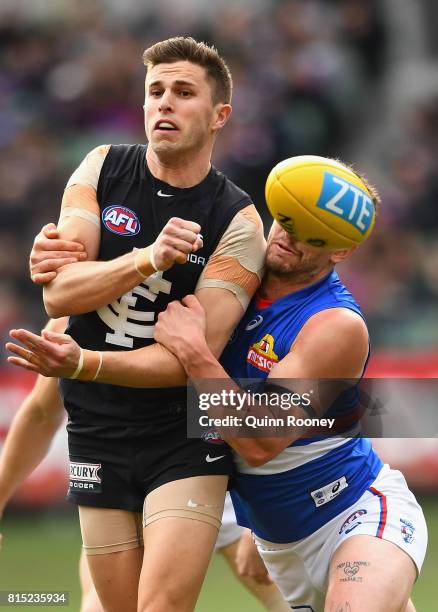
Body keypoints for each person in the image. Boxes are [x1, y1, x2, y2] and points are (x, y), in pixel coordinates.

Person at [6, 36, 266, 612]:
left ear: (220, 115)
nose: (164, 103)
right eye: (155, 91)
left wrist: (82, 361)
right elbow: (59, 294)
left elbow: (184, 364)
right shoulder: (102, 166)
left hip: (182, 436)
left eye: (183, 92)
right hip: (96, 429)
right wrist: (148, 257)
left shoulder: (239, 223)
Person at [146, 176, 427, 610]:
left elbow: (260, 441)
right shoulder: (232, 277)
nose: (289, 236)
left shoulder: (335, 324)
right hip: (280, 545)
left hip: (355, 513)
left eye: (313, 233)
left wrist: (192, 351)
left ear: (341, 250)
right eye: (287, 218)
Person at [0, 335, 289, 612]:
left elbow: (273, 403)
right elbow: (41, 411)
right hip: (128, 469)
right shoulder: (83, 303)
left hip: (218, 465)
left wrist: (261, 517)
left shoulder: (208, 293)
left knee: (289, 600)